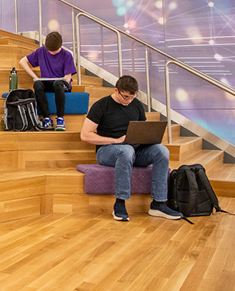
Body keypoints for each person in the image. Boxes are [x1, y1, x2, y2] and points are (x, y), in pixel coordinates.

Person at [80, 75, 182, 222]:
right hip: (107, 150)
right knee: (126, 151)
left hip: (133, 149)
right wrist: (115, 140)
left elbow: (142, 131)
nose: (129, 101)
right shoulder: (101, 105)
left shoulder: (137, 105)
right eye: (126, 97)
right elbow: (85, 135)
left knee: (162, 151)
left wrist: (147, 140)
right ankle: (120, 202)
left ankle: (158, 204)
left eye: (132, 97)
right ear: (116, 90)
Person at [19, 31, 76, 131]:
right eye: (50, 50)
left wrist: (62, 80)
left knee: (57, 84)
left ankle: (60, 118)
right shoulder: (41, 51)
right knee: (37, 84)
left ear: (60, 46)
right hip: (47, 84)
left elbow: (67, 78)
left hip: (61, 85)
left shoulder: (67, 55)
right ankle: (47, 119)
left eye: (55, 50)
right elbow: (22, 61)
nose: (52, 52)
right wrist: (35, 77)